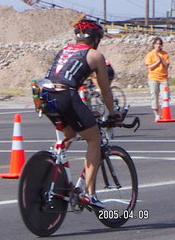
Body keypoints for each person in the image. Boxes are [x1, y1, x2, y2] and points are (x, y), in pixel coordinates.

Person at [43, 19, 120, 208]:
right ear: (95, 40)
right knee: (93, 138)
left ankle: (52, 166)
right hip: (65, 94)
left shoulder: (65, 50)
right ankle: (90, 194)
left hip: (43, 93)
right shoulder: (95, 55)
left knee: (69, 133)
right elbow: (105, 90)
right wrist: (113, 113)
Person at [145, 37, 170, 122]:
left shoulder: (165, 54)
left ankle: (164, 112)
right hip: (153, 78)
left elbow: (166, 66)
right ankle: (156, 114)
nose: (158, 45)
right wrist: (157, 62)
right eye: (156, 44)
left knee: (165, 96)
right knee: (154, 96)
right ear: (153, 44)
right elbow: (149, 67)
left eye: (159, 44)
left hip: (163, 78)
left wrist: (161, 59)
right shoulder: (150, 54)